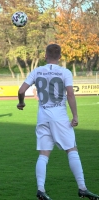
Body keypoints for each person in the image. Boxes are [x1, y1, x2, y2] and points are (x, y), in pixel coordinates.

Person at [17, 44, 99, 200]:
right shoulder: (64, 72)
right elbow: (70, 94)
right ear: (60, 57)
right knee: (72, 149)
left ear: (45, 56)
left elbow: (21, 90)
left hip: (43, 117)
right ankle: (82, 188)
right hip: (59, 116)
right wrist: (75, 116)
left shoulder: (36, 71)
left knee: (43, 154)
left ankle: (40, 189)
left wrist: (21, 103)